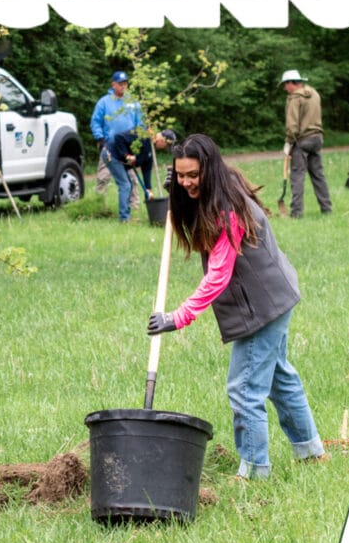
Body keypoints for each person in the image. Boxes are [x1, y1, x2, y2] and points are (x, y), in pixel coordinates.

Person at [147, 134, 325, 481]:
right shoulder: (219, 184)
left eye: (193, 175)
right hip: (274, 295)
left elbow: (218, 275)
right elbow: (195, 214)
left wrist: (177, 317)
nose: (187, 182)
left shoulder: (228, 208)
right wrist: (178, 193)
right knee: (279, 379)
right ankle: (310, 452)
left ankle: (254, 472)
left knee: (244, 389)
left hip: (263, 306)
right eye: (181, 175)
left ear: (209, 169)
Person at [91, 70, 146, 222]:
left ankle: (134, 208)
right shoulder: (104, 102)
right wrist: (100, 138)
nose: (123, 86)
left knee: (132, 179)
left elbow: (140, 122)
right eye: (120, 84)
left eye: (125, 83)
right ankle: (98, 207)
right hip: (109, 146)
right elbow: (95, 122)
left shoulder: (133, 103)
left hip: (128, 147)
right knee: (103, 177)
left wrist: (138, 139)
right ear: (113, 84)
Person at [279, 69, 332, 217]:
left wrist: (288, 143)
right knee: (318, 176)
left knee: (297, 176)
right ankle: (327, 209)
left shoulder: (294, 98)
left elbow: (292, 126)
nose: (284, 88)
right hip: (317, 138)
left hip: (302, 141)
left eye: (285, 84)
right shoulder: (314, 94)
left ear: (291, 83)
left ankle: (296, 213)